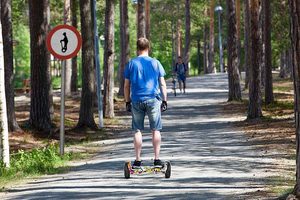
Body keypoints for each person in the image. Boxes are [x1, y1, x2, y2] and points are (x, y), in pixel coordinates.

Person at [124, 38, 168, 168]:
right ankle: (157, 159)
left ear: (137, 48)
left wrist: (127, 101)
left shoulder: (131, 64)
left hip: (137, 100)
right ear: (148, 47)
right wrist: (165, 100)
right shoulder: (156, 63)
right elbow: (162, 83)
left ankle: (137, 160)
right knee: (156, 130)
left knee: (137, 130)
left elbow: (126, 86)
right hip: (153, 99)